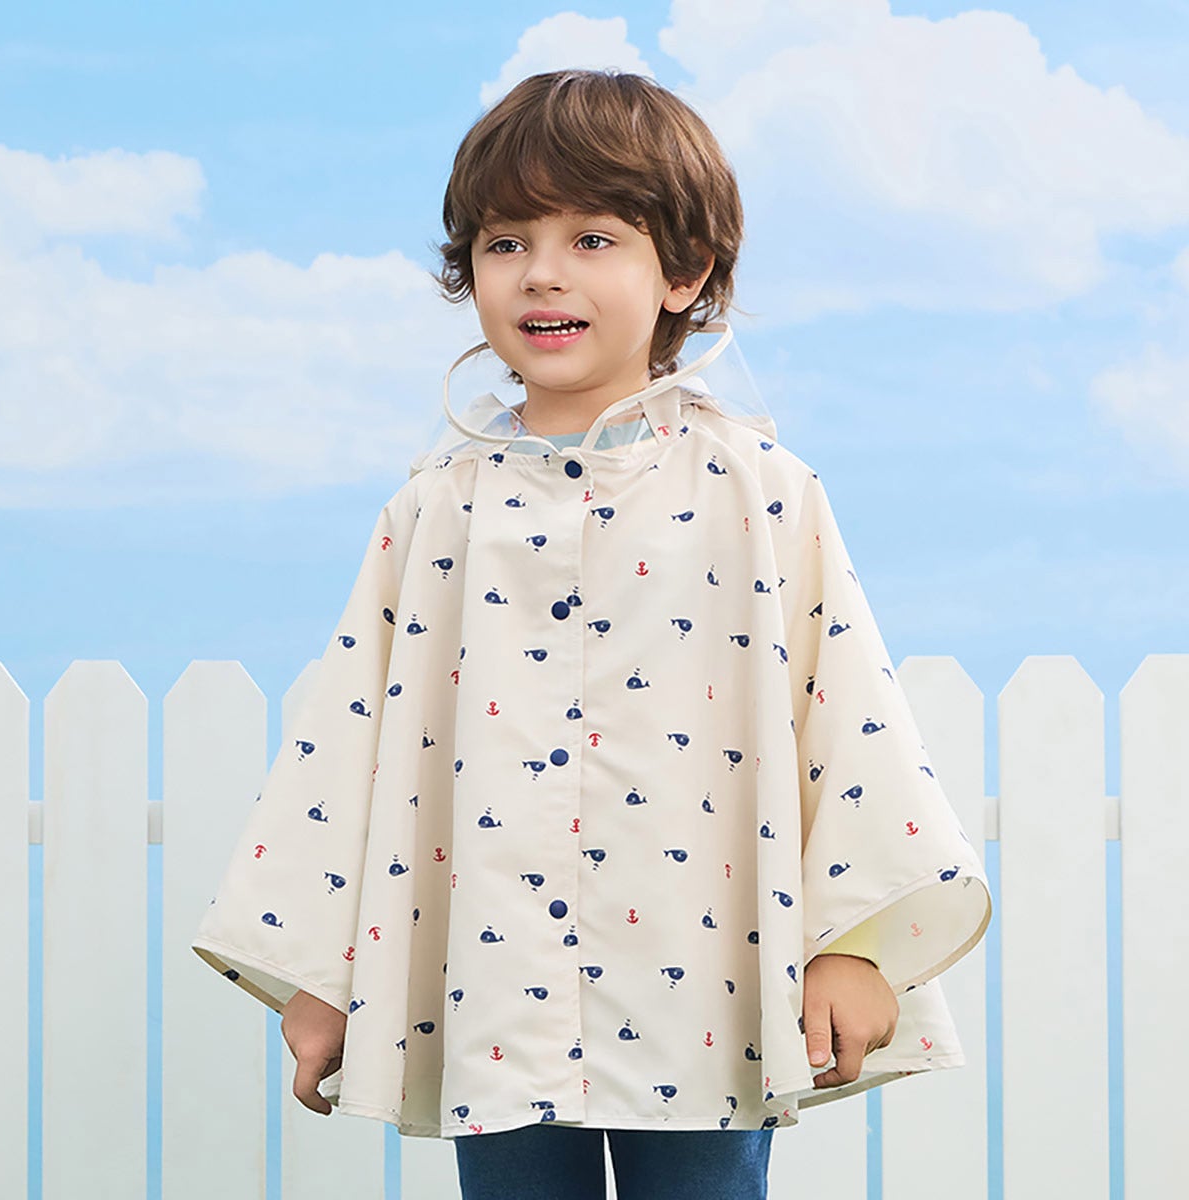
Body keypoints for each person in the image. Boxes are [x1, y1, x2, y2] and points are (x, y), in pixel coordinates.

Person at [191, 69, 992, 1200]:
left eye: (594, 238)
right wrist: (328, 971)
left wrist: (853, 946)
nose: (543, 272)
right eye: (505, 242)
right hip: (491, 982)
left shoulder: (759, 491)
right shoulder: (437, 510)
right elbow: (351, 742)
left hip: (705, 979)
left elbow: (847, 718)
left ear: (685, 271)